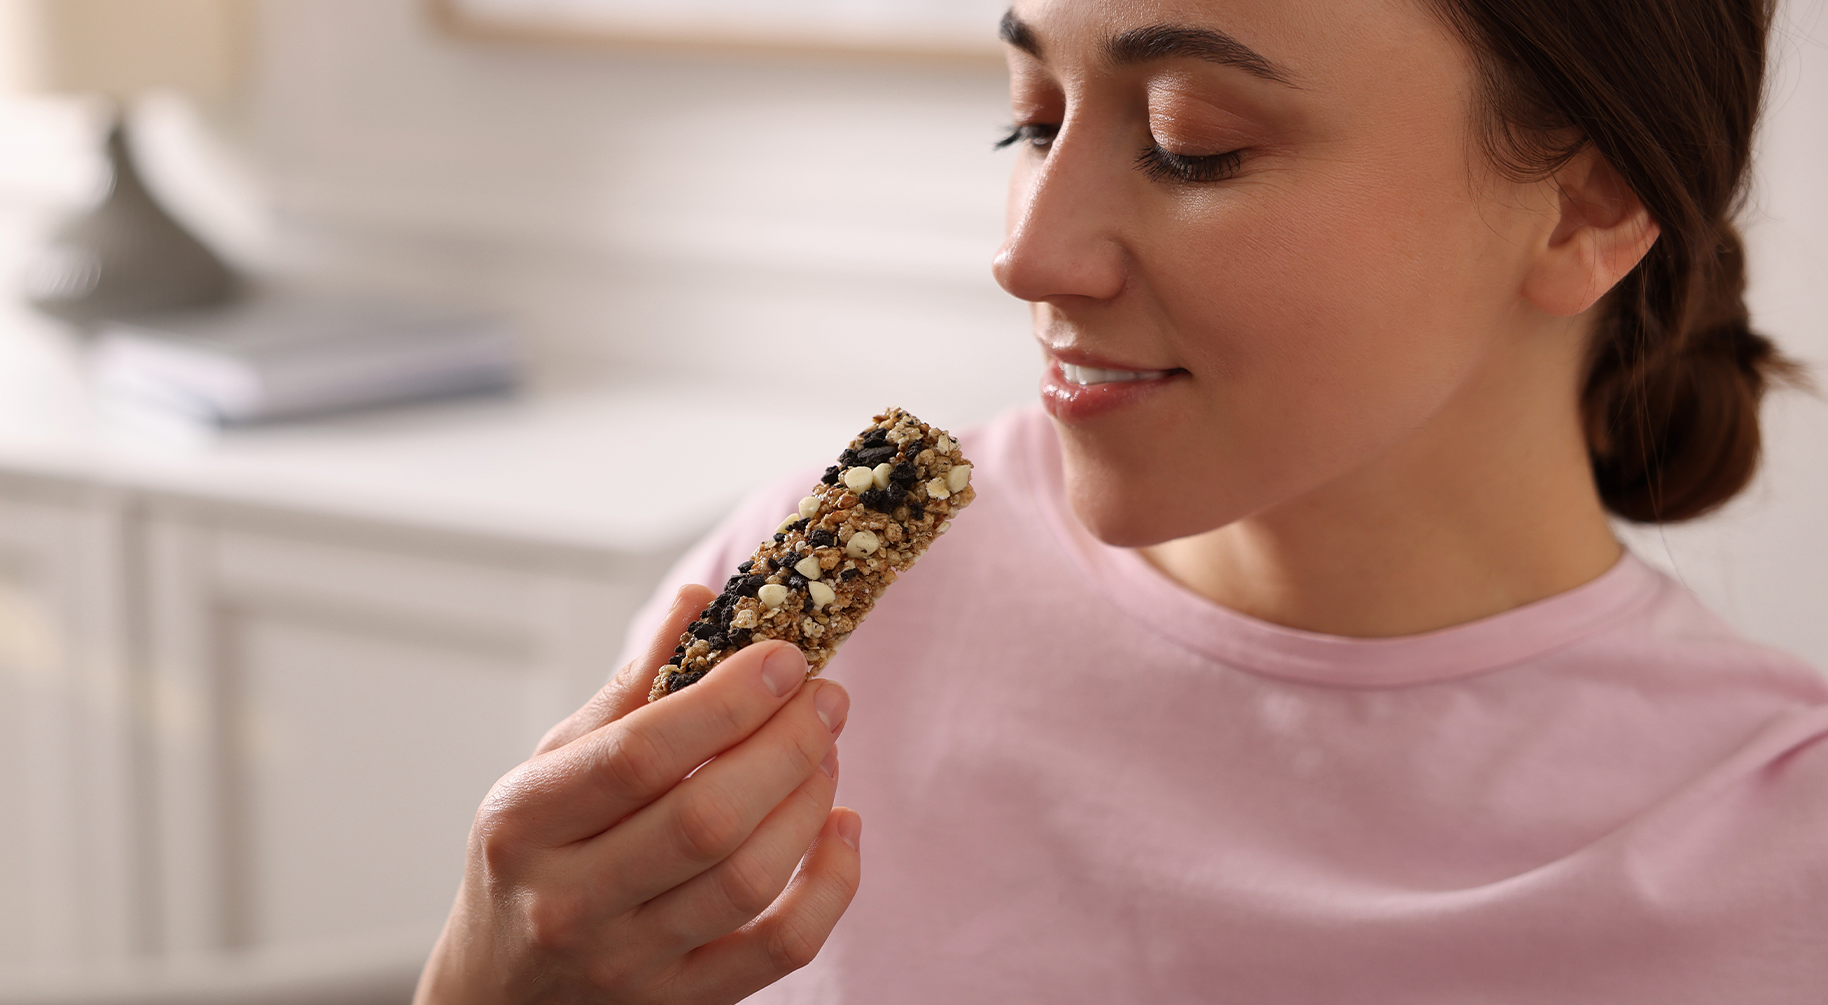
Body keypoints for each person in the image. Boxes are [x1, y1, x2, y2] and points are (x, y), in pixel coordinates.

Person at [415, 0, 1827, 1000]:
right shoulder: (831, 623)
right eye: (1029, 120)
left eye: (1189, 142)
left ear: (1587, 210)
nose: (1028, 258)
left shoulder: (1780, 845)